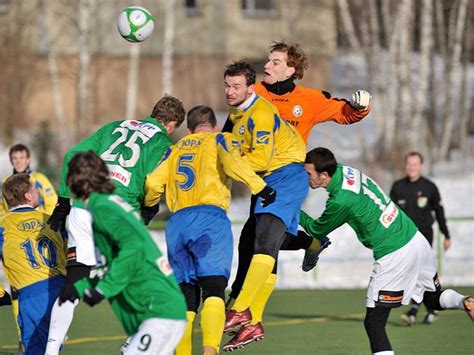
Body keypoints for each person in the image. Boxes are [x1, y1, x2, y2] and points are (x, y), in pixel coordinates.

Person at [223, 41, 372, 308]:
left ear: (291, 70)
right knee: (263, 239)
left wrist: (361, 107)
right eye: (268, 60)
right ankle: (310, 243)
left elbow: (345, 112)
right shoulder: (253, 91)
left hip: (288, 177)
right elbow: (229, 129)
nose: (267, 66)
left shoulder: (310, 100)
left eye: (275, 62)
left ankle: (240, 304)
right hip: (259, 178)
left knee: (256, 238)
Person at [44, 95, 186, 354]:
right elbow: (154, 183)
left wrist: (63, 200)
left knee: (74, 281)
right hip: (119, 211)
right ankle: (136, 342)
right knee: (139, 276)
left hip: (82, 207)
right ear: (172, 124)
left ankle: (50, 350)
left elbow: (72, 155)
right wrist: (148, 208)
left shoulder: (113, 127)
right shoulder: (163, 142)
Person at [300, 147, 473, 355]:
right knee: (432, 298)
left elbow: (317, 230)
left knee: (374, 323)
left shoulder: (341, 200)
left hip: (395, 252)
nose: (306, 177)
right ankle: (465, 302)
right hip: (416, 240)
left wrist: (292, 210)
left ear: (324, 175)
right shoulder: (348, 171)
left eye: (308, 173)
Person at [144, 105, 276, 354]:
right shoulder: (220, 138)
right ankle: (210, 351)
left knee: (185, 296)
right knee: (213, 288)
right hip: (208, 219)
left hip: (177, 223)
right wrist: (260, 187)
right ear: (214, 125)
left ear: (189, 128)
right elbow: (232, 162)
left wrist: (150, 205)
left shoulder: (173, 149)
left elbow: (153, 182)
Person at [61, 151, 187, 355]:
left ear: (76, 180)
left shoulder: (102, 208)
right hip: (160, 308)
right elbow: (114, 263)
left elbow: (134, 247)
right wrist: (80, 287)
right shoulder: (106, 204)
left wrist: (103, 290)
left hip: (157, 309)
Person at [221, 61, 308, 351]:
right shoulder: (237, 115)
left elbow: (259, 158)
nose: (230, 91)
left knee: (265, 244)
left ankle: (240, 309)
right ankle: (253, 321)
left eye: (236, 86)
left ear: (250, 87)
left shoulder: (260, 113)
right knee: (260, 244)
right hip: (268, 181)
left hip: (286, 175)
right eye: (227, 85)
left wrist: (230, 165)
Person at [0, 173, 66, 354]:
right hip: (61, 289)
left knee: (36, 350)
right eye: (34, 189)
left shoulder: (3, 225)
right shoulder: (50, 220)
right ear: (28, 196)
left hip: (32, 293)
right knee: (51, 348)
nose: (38, 192)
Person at [390, 151, 451, 325]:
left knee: (418, 271)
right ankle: (429, 309)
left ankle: (414, 310)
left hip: (424, 236)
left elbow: (439, 212)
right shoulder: (397, 187)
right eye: (409, 164)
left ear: (421, 166)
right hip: (403, 238)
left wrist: (446, 234)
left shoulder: (430, 187)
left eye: (415, 164)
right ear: (405, 165)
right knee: (413, 272)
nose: (412, 167)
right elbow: (390, 214)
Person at [0, 143, 58, 217]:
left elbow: (52, 203)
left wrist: (45, 220)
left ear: (28, 160)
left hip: (36, 223)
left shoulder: (39, 178)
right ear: (11, 161)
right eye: (15, 158)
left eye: (21, 158)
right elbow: (1, 206)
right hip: (14, 223)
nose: (18, 162)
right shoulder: (6, 181)